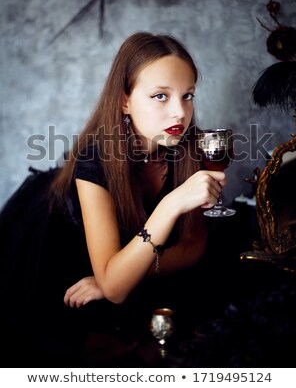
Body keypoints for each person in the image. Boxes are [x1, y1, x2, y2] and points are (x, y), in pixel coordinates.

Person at [0, 32, 226, 366]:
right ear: (124, 101)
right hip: (59, 262)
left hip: (123, 266)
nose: (179, 112)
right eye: (160, 96)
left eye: (188, 94)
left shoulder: (192, 150)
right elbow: (116, 288)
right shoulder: (96, 161)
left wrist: (122, 274)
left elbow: (192, 246)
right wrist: (171, 204)